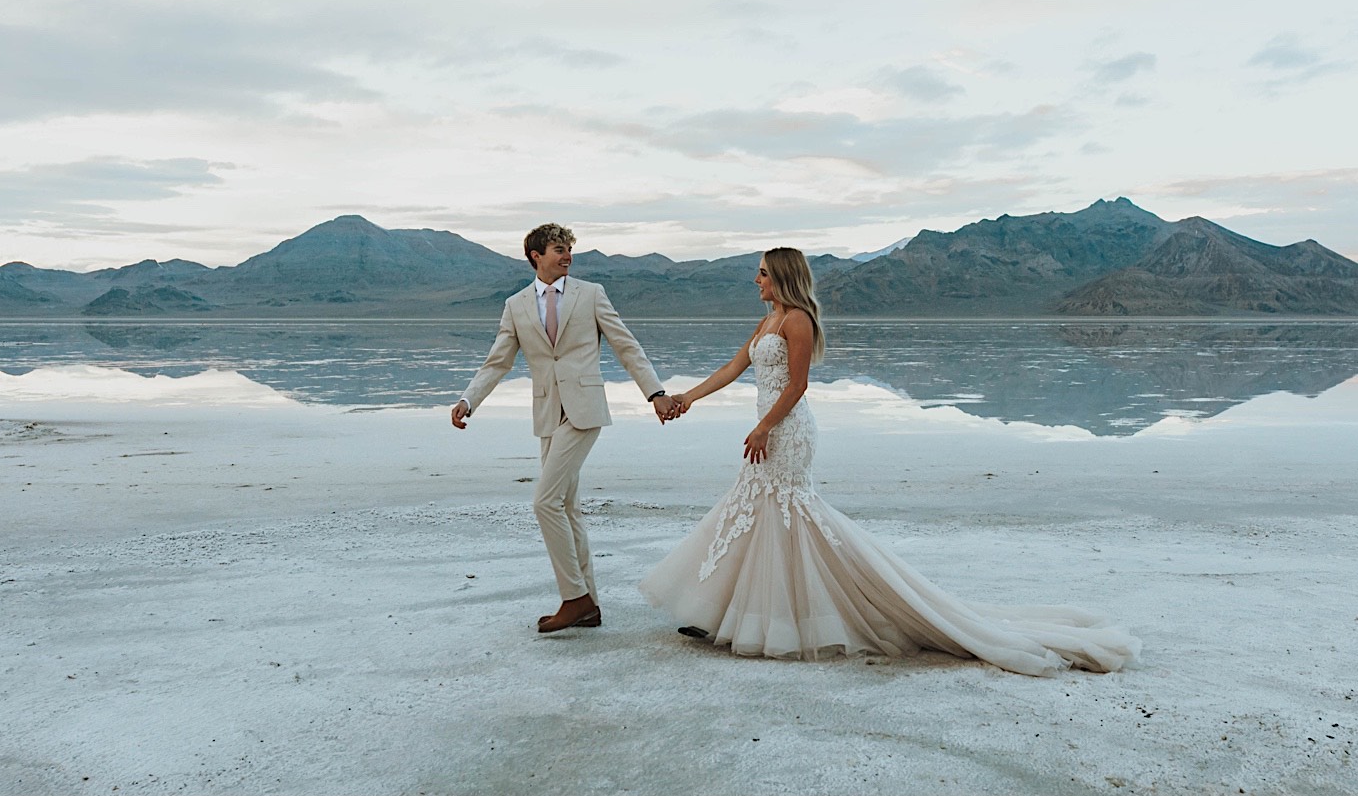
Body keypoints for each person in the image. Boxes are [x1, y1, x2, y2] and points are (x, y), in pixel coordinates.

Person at [638, 247, 1139, 675]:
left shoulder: (797, 320)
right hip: (768, 429)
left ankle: (796, 617)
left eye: (763, 272)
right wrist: (688, 397)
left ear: (783, 277)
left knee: (788, 517)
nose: (756, 280)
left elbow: (797, 385)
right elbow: (734, 365)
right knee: (753, 514)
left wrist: (766, 426)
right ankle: (731, 615)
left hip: (787, 433)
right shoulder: (768, 319)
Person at [452, 223, 679, 633]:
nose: (567, 256)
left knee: (545, 502)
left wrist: (655, 393)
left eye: (569, 249)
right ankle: (588, 605)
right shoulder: (516, 304)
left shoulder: (590, 295)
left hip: (584, 409)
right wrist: (469, 399)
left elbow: (625, 344)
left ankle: (573, 597)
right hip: (547, 414)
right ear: (536, 255)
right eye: (559, 249)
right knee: (567, 509)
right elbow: (498, 361)